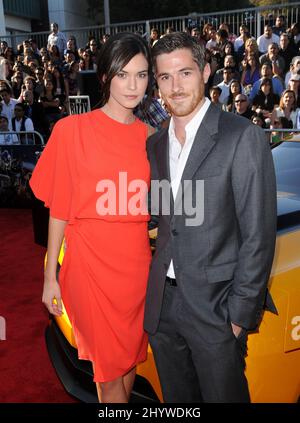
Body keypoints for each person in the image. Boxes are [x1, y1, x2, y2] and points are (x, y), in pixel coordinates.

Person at [144, 32, 277, 403]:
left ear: (205, 72)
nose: (175, 86)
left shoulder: (242, 136)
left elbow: (258, 235)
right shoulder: (154, 143)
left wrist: (238, 317)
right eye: (165, 77)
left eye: (185, 73)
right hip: (164, 309)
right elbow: (164, 218)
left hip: (217, 311)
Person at [29, 32, 154, 403]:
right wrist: (50, 277)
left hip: (137, 271)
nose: (133, 85)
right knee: (108, 373)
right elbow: (60, 210)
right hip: (89, 269)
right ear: (105, 77)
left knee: (129, 362)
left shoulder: (153, 139)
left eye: (142, 75)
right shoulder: (71, 131)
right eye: (123, 74)